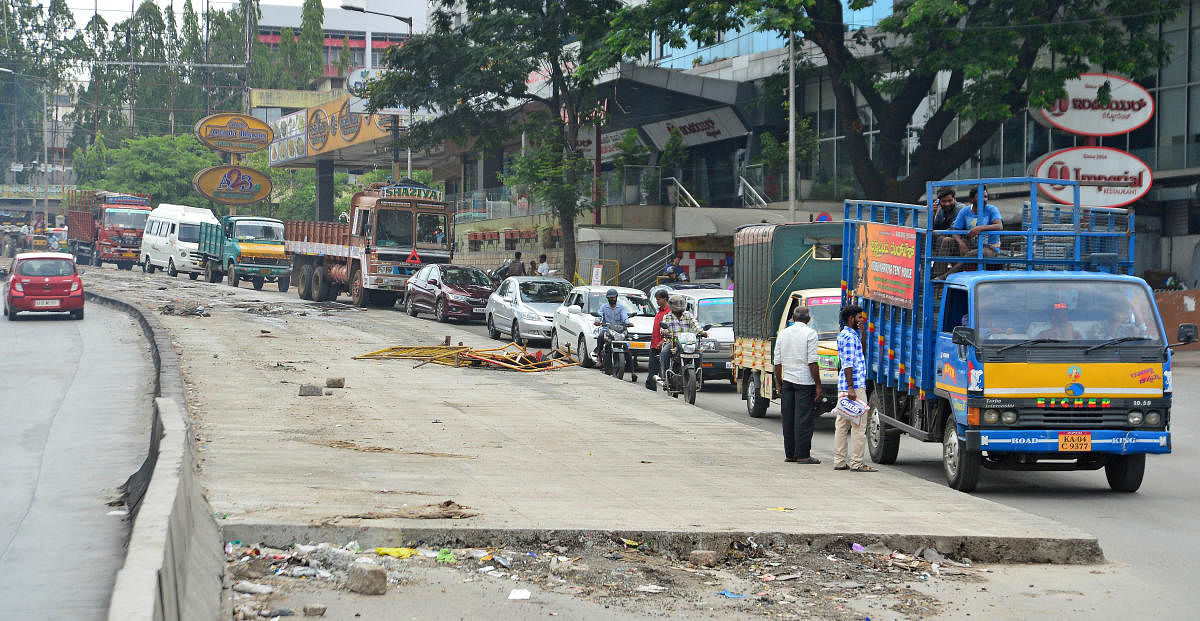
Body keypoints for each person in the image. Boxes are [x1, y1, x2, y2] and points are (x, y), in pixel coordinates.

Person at [773, 307, 823, 464]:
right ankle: (803, 455)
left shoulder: (783, 333)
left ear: (793, 318)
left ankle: (790, 454)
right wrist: (818, 385)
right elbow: (812, 362)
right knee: (804, 420)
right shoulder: (810, 334)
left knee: (788, 419)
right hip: (804, 382)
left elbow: (777, 362)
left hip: (787, 381)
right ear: (808, 320)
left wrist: (779, 383)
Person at [834, 304, 876, 472]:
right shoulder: (850, 338)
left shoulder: (846, 335)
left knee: (842, 424)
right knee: (859, 425)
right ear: (851, 319)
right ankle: (857, 463)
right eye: (859, 318)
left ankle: (839, 461)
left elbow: (861, 354)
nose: (861, 320)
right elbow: (848, 363)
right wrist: (852, 387)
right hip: (854, 387)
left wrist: (863, 333)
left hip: (844, 386)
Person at [941, 186, 1003, 275]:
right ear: (972, 199)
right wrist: (961, 243)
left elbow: (999, 226)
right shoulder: (965, 211)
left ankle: (946, 276)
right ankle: (937, 274)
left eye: (985, 197)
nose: (984, 199)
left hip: (990, 248)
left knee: (972, 254)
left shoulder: (991, 209)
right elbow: (955, 230)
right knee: (947, 241)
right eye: (980, 197)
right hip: (972, 244)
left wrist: (980, 228)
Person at [658, 294, 707, 385]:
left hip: (688, 343)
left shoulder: (688, 315)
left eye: (681, 303)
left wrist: (702, 332)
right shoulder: (667, 316)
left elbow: (695, 324)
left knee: (699, 354)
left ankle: (697, 377)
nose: (679, 306)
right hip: (673, 343)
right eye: (677, 303)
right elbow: (663, 328)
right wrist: (664, 332)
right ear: (671, 305)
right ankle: (665, 378)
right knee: (664, 353)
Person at [595, 288, 634, 381]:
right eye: (610, 298)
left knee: (627, 348)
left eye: (614, 297)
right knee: (600, 336)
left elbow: (625, 317)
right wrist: (597, 321)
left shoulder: (621, 308)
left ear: (616, 297)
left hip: (619, 331)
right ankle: (599, 358)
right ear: (607, 299)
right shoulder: (603, 307)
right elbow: (599, 316)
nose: (612, 299)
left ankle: (632, 371)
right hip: (607, 329)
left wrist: (628, 323)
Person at [646, 289, 671, 390]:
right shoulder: (659, 311)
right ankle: (651, 387)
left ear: (665, 299)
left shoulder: (669, 312)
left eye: (658, 299)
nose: (657, 301)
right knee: (652, 367)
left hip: (664, 344)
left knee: (663, 367)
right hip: (654, 344)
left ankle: (666, 384)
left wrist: (663, 340)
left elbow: (669, 329)